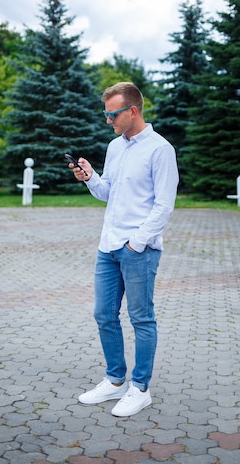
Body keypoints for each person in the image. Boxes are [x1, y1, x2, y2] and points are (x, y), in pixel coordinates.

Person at [69, 82, 179, 417]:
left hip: (138, 250)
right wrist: (89, 177)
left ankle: (140, 388)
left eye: (112, 114)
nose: (107, 120)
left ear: (133, 110)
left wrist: (137, 242)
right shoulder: (115, 147)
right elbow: (108, 192)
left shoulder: (161, 149)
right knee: (104, 315)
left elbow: (164, 204)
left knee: (142, 318)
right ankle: (115, 381)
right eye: (105, 113)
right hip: (108, 246)